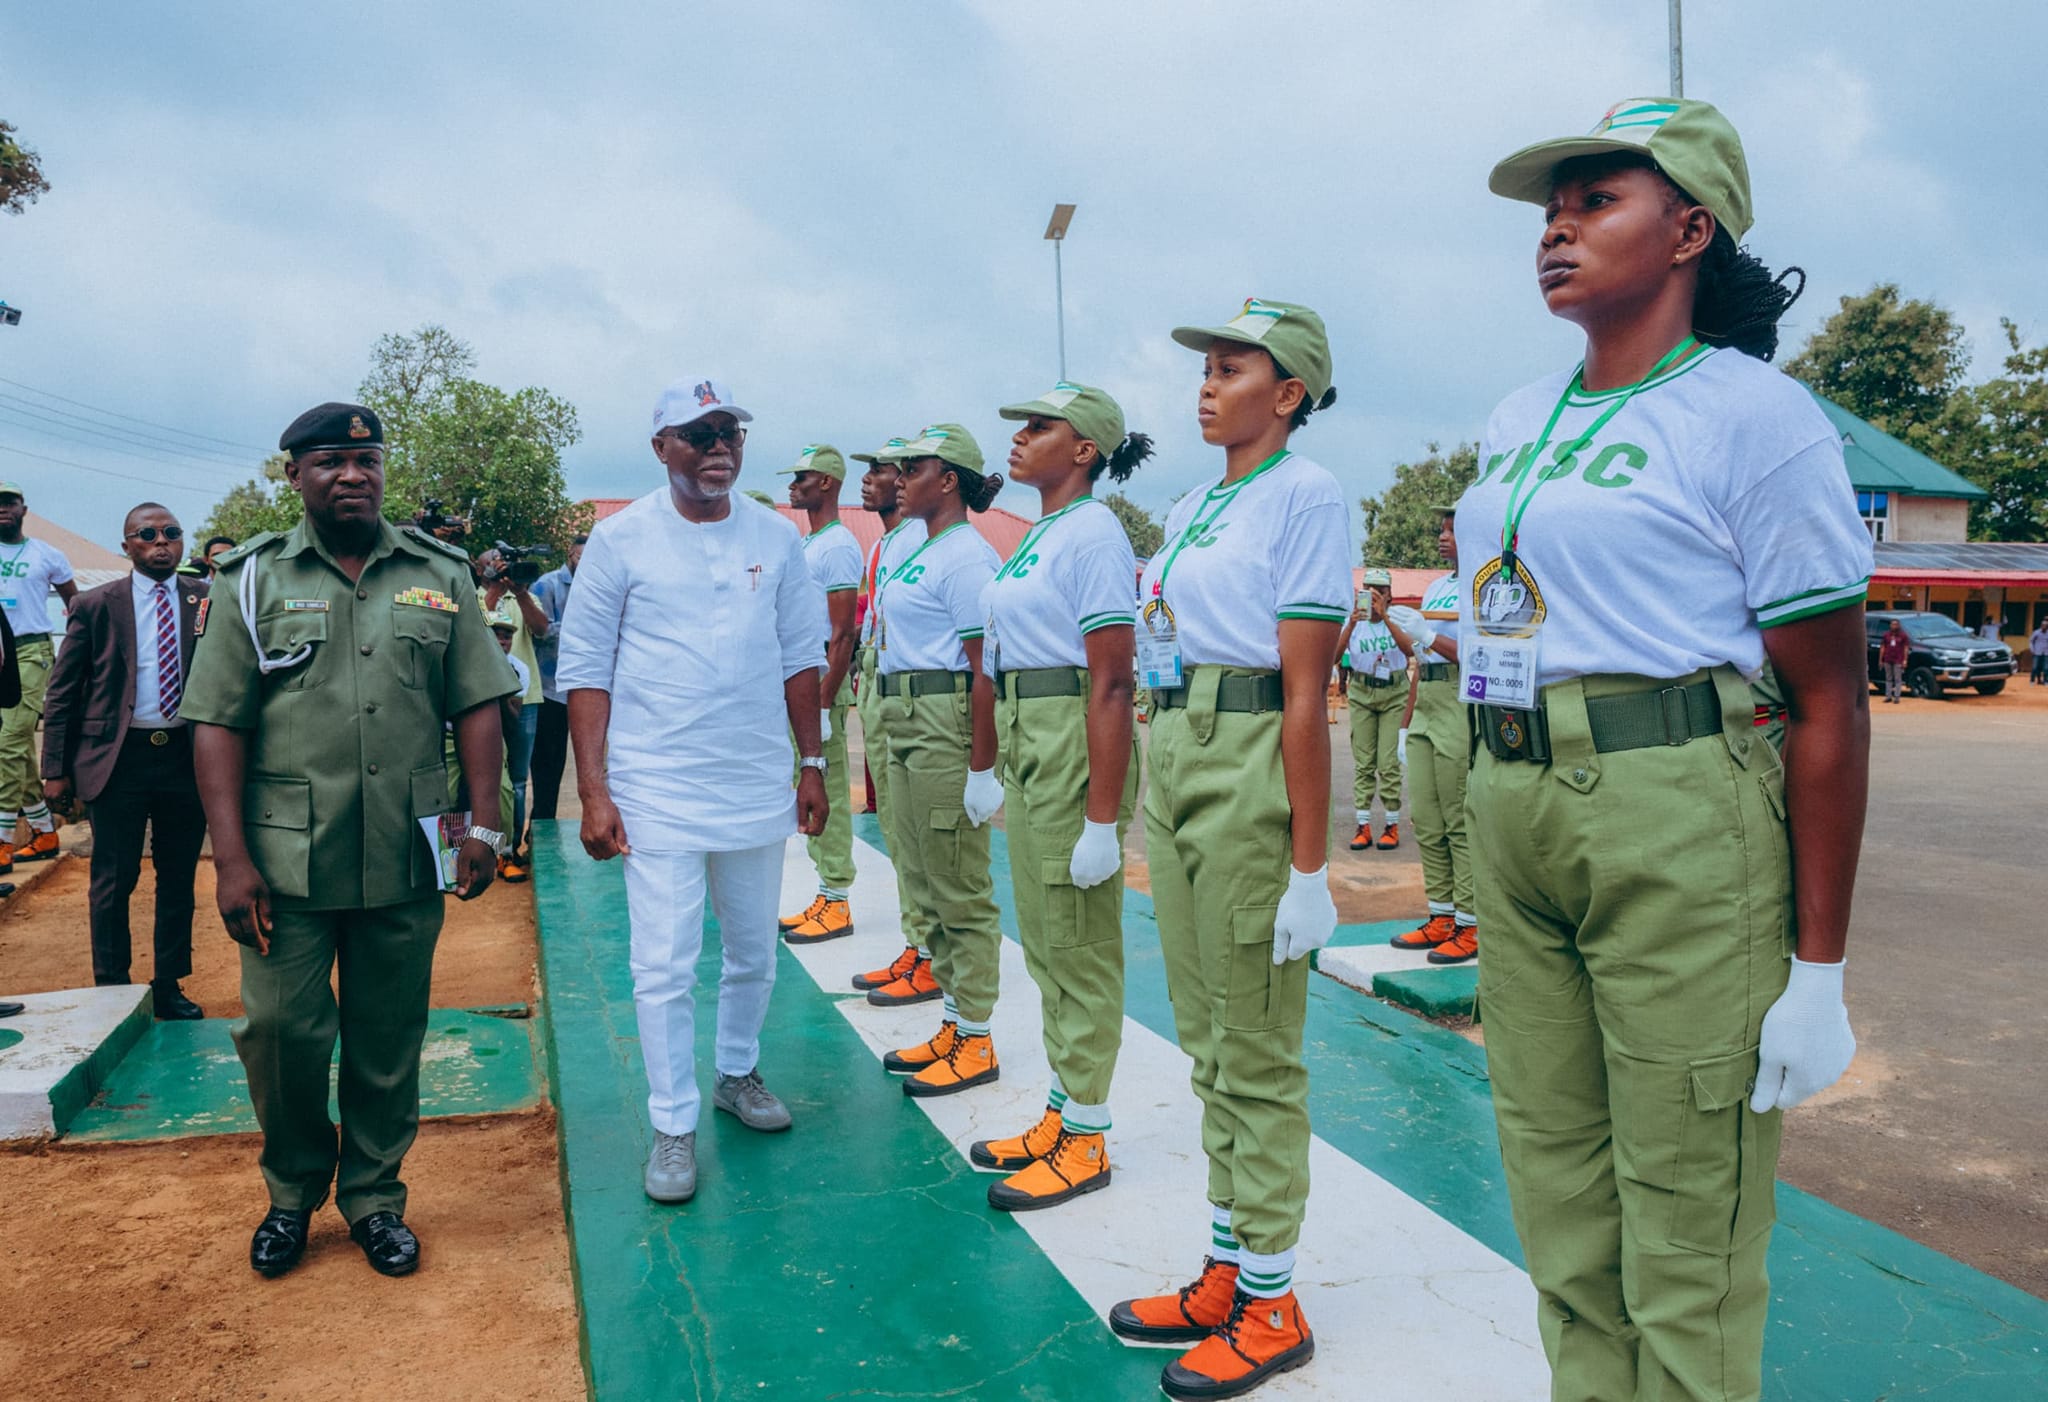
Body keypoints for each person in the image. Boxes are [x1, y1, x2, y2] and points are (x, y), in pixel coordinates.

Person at [1464, 99, 1872, 1400]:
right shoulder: (1514, 416)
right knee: (1561, 1195)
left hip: (1677, 811)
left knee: (1686, 1228)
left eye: (1597, 201)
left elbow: (1829, 705)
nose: (1559, 229)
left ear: (1691, 229)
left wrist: (1820, 968)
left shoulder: (1758, 418)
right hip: (1514, 798)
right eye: (1551, 209)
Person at [184, 401, 516, 1281]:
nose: (351, 474)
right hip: (285, 859)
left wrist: (483, 822)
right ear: (293, 474)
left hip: (409, 847)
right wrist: (231, 860)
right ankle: (292, 1191)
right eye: (329, 460)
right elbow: (216, 722)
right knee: (284, 1035)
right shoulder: (251, 580)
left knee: (387, 1035)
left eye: (365, 459)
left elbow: (478, 702)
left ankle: (373, 1198)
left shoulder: (437, 574)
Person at [1108, 299, 1349, 1400]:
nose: (1205, 386)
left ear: (1287, 392)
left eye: (1229, 368)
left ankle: (1273, 1297)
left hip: (1251, 742)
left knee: (1254, 1046)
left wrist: (1311, 863)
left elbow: (1306, 692)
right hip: (1181, 743)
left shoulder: (1304, 493)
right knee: (1207, 1037)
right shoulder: (1199, 500)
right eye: (1201, 369)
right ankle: (1227, 1263)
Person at [559, 377, 827, 1205]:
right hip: (657, 788)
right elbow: (584, 672)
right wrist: (595, 792)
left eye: (732, 432)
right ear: (661, 447)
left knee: (753, 949)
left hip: (751, 779)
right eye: (700, 432)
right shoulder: (621, 540)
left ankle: (736, 1075)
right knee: (665, 965)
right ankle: (672, 1124)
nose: (720, 446)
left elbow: (800, 655)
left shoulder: (777, 538)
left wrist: (811, 763)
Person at [967, 383, 1149, 1211]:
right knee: (1044, 941)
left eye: (1039, 426)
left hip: (1070, 733)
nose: (1019, 437)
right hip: (1029, 729)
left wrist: (1103, 819)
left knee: (1078, 944)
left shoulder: (1095, 533)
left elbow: (1111, 680)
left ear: (1084, 450)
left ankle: (1088, 1135)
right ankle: (1062, 1106)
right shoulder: (1040, 534)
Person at [871, 422, 1008, 1098]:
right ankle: (955, 1017)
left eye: (912, 466)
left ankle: (977, 1036)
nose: (898, 477)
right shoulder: (918, 550)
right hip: (901, 713)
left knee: (958, 882)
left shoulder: (965, 558)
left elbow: (986, 670)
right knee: (923, 870)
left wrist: (982, 769)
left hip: (941, 718)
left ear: (948, 478)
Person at [41, 503, 210, 1019]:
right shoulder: (95, 605)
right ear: (127, 546)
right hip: (117, 759)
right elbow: (63, 690)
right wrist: (54, 769)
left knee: (178, 876)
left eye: (172, 533)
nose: (162, 542)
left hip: (185, 757)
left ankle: (168, 985)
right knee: (114, 879)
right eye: (148, 534)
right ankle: (112, 988)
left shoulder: (206, 599)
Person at [842, 437, 948, 1000]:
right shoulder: (887, 543)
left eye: (881, 471)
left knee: (919, 833)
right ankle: (919, 943)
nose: (874, 481)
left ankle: (931, 952)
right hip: (881, 678)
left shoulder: (917, 539)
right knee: (899, 831)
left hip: (911, 690)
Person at [1383, 506, 1478, 964]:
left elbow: (1481, 655)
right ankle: (1441, 914)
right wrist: (1406, 723)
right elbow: (1419, 661)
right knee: (1428, 817)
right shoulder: (1438, 587)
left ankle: (1471, 921)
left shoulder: (1485, 584)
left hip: (1461, 700)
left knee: (1459, 819)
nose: (1443, 538)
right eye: (1441, 529)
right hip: (1429, 700)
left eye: (1453, 530)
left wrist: (1428, 636)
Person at [777, 444, 863, 943]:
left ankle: (838, 898)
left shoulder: (838, 546)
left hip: (821, 693)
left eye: (802, 477)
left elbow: (843, 633)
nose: (794, 485)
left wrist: (827, 703)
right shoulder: (810, 544)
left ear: (827, 482)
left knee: (826, 792)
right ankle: (825, 894)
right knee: (807, 791)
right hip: (805, 690)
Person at [0, 480, 78, 871]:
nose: (2, 508)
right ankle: (45, 832)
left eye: (9, 502)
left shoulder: (47, 555)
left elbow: (75, 604)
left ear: (24, 510)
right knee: (15, 750)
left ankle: (2, 840)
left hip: (30, 650)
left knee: (10, 740)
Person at [475, 546, 549, 880]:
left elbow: (542, 629)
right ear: (481, 571)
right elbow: (472, 630)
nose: (501, 570)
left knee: (518, 780)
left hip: (525, 697)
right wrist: (494, 592)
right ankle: (475, 850)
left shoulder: (525, 598)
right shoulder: (473, 596)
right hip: (480, 698)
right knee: (477, 778)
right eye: (492, 566)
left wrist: (519, 595)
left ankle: (509, 852)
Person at [1334, 567, 1405, 850]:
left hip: (1394, 694)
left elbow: (1410, 650)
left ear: (1390, 595)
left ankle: (1391, 824)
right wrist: (1351, 624)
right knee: (1363, 763)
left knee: (1388, 764)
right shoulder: (1354, 622)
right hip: (1362, 693)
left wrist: (1385, 617)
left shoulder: (1399, 617)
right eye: (1369, 588)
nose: (1374, 594)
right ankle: (1363, 825)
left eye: (1380, 590)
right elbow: (1335, 656)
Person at [526, 534, 585, 831]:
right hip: (552, 690)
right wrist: (585, 627)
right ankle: (541, 833)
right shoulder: (547, 585)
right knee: (548, 768)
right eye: (580, 557)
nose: (585, 563)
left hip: (588, 689)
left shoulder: (598, 585)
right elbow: (540, 631)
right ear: (570, 554)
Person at [1878, 618, 1910, 702]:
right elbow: (1882, 647)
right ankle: (1888, 696)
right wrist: (1881, 659)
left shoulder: (1903, 636)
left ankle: (1897, 697)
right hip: (1888, 659)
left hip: (1898, 659)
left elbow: (1905, 648)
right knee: (1888, 678)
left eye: (1895, 624)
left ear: (1899, 625)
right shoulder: (1886, 635)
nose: (1894, 626)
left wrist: (1905, 660)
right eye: (1892, 624)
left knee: (1897, 679)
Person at [2030, 619, 2048, 684]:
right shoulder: (2036, 632)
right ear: (2041, 625)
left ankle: (2046, 681)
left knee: (2046, 668)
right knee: (2035, 667)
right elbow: (2031, 641)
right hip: (2037, 652)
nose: (2044, 627)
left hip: (2046, 653)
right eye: (2043, 625)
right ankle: (2032, 680)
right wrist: (2032, 649)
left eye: (2046, 626)